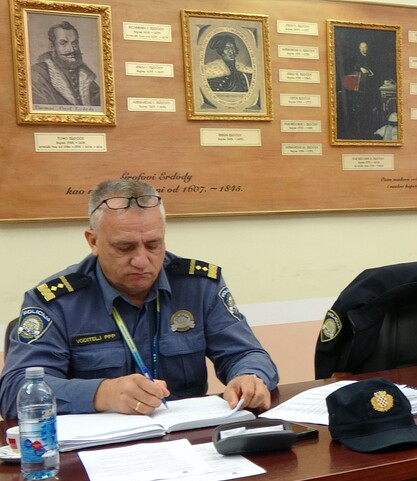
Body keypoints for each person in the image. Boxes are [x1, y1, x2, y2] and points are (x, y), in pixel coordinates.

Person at [0, 180, 278, 419]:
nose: (141, 261)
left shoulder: (198, 286)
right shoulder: (57, 300)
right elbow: (15, 391)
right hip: (97, 448)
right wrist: (102, 393)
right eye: (125, 247)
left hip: (188, 437)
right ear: (93, 241)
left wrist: (250, 376)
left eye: (153, 244)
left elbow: (246, 353)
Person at [31, 21, 101, 108]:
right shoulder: (37, 75)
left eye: (74, 43)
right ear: (52, 46)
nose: (71, 49)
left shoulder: (86, 77)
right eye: (63, 43)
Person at [344, 41, 382, 137]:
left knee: (369, 109)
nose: (363, 49)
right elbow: (353, 68)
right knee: (360, 109)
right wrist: (360, 68)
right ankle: (360, 130)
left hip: (369, 86)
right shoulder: (357, 57)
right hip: (359, 87)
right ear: (359, 48)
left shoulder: (370, 57)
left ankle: (369, 129)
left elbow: (374, 69)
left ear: (367, 48)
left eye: (365, 47)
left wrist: (370, 72)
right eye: (361, 47)